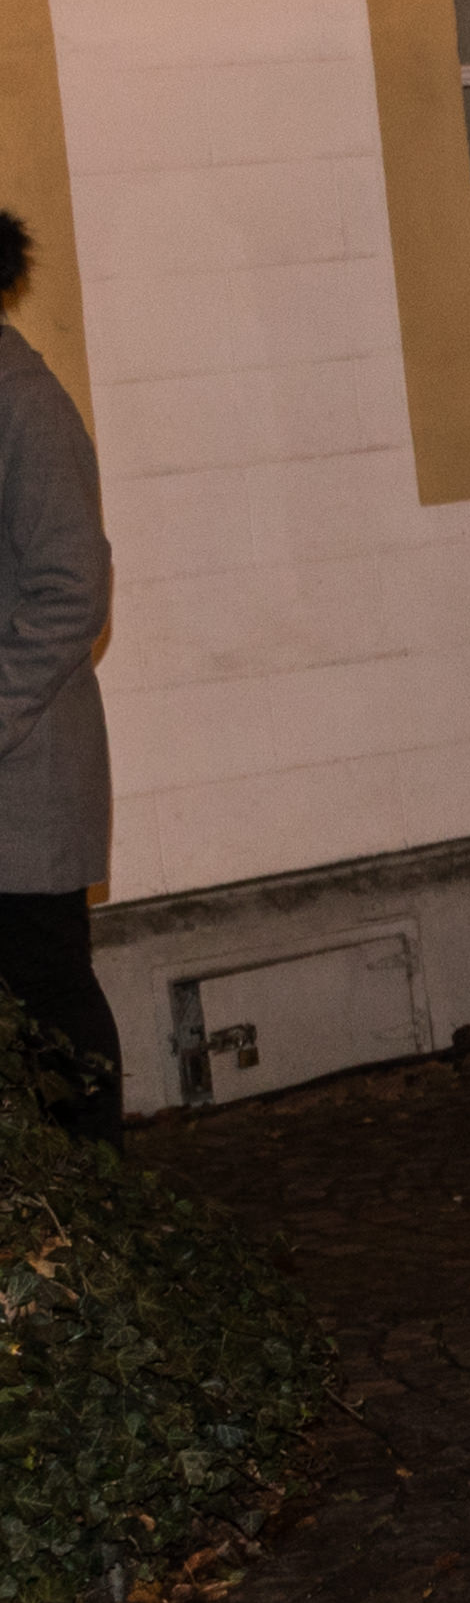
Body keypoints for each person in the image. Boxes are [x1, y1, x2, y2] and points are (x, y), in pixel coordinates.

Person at [0, 214, 117, 1147]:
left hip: (24, 790)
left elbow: (74, 588)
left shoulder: (24, 405)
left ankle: (100, 1208)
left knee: (50, 1018)